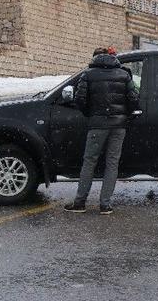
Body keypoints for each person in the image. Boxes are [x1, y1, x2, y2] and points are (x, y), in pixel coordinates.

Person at [64, 47, 138, 215]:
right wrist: (124, 115)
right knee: (112, 163)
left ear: (95, 58)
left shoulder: (88, 74)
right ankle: (105, 205)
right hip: (118, 126)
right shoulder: (124, 74)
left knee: (89, 162)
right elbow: (134, 99)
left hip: (97, 126)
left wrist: (90, 114)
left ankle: (80, 202)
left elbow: (79, 99)